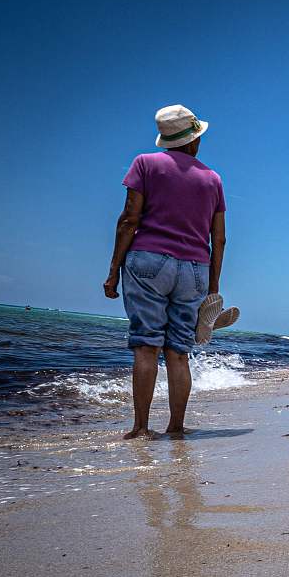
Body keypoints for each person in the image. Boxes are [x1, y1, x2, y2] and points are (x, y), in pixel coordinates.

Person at [103, 105, 227, 439]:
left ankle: (141, 428)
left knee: (146, 347)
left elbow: (129, 219)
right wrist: (212, 288)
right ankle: (176, 426)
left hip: (148, 262)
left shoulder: (145, 164)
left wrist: (113, 270)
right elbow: (219, 238)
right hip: (195, 270)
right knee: (179, 351)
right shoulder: (213, 179)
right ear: (193, 141)